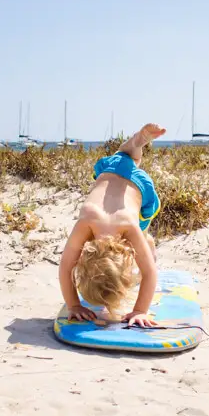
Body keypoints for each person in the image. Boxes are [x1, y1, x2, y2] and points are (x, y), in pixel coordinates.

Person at [58, 123, 166, 328]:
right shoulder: (88, 220)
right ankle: (134, 144)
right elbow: (65, 267)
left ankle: (146, 240)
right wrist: (73, 305)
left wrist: (140, 311)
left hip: (141, 190)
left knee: (142, 235)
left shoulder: (129, 225)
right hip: (108, 168)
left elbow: (150, 273)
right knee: (125, 158)